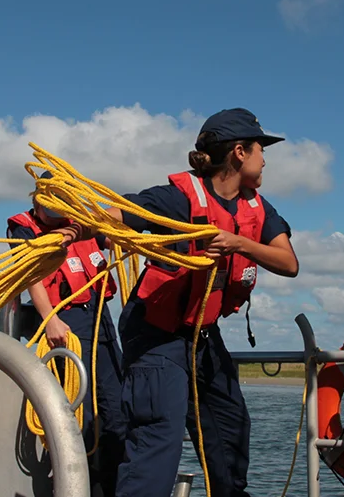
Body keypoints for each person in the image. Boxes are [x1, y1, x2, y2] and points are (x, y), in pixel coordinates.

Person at [57, 108, 299, 497]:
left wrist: (238, 243)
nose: (265, 159)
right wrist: (72, 229)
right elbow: (122, 212)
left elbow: (289, 263)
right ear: (239, 152)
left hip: (202, 336)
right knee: (158, 436)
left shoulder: (257, 207)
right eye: (260, 149)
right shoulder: (179, 199)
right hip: (156, 333)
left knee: (231, 431)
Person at [6, 172, 126, 497]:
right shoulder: (24, 229)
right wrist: (51, 319)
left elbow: (112, 241)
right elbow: (31, 273)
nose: (58, 217)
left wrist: (116, 225)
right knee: (81, 412)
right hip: (67, 322)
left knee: (114, 409)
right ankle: (77, 488)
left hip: (101, 318)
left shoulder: (81, 222)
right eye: (51, 210)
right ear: (38, 201)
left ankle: (111, 487)